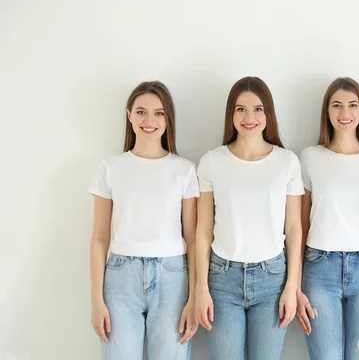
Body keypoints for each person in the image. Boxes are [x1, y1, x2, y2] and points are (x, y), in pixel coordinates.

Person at [194, 76, 303, 360]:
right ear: (231, 114)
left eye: (257, 108)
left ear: (268, 114)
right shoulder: (211, 162)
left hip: (272, 280)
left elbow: (293, 229)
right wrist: (200, 288)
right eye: (241, 109)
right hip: (221, 278)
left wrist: (292, 286)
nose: (249, 117)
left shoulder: (287, 162)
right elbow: (204, 230)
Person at [89, 81, 199, 359]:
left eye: (158, 113)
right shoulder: (110, 168)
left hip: (173, 280)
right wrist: (96, 300)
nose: (149, 120)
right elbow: (100, 237)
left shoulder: (184, 170)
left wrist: (194, 296)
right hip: (120, 280)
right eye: (141, 112)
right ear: (129, 116)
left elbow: (193, 238)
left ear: (168, 118)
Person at [296, 77, 359, 359]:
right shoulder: (310, 157)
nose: (345, 113)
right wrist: (294, 286)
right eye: (337, 105)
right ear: (327, 112)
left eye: (352, 105)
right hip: (319, 268)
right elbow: (301, 225)